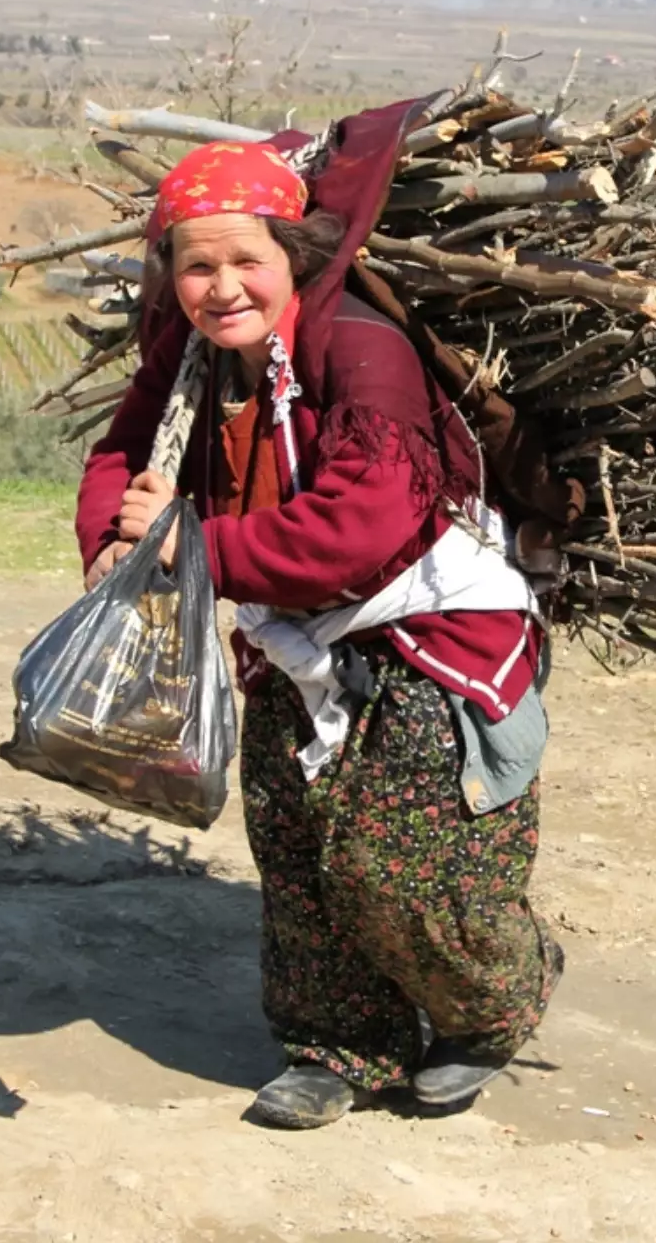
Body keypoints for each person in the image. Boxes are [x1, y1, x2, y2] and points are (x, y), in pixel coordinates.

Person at [75, 132, 563, 1130]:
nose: (221, 286)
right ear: (169, 272)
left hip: (427, 631)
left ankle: (494, 1001)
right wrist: (110, 546)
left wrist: (191, 546)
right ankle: (340, 1047)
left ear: (294, 256)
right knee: (297, 849)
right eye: (197, 263)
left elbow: (365, 525)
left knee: (400, 862)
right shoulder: (189, 363)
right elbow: (119, 457)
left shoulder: (363, 349)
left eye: (245, 259)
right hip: (286, 636)